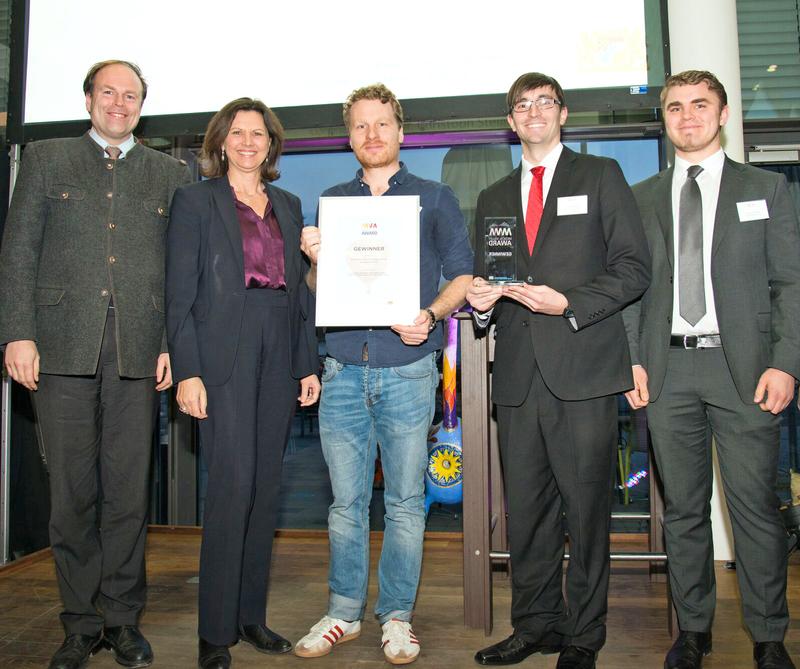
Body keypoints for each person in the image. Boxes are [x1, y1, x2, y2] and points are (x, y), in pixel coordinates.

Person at [0, 60, 191, 669]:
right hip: (59, 348)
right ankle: (80, 624)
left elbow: (176, 271)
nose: (119, 103)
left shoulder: (169, 174)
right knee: (73, 495)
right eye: (108, 92)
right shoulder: (47, 159)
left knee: (129, 495)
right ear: (88, 99)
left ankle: (121, 619)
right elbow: (18, 251)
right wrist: (17, 335)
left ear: (142, 105)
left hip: (138, 350)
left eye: (130, 95)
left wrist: (169, 343)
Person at [467, 72, 650, 669]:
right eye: (523, 105)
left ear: (563, 114)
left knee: (587, 508)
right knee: (529, 510)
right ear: (512, 122)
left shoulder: (600, 178)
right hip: (518, 375)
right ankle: (535, 625)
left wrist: (568, 303)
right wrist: (481, 300)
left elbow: (632, 268)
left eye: (545, 102)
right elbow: (488, 273)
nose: (535, 112)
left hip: (583, 370)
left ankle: (583, 635)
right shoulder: (493, 197)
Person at [623, 70, 799, 669]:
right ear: (665, 119)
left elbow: (791, 284)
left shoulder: (767, 188)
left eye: (700, 105)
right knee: (685, 512)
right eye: (675, 107)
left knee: (754, 509)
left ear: (723, 114)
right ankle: (693, 630)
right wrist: (634, 360)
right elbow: (629, 290)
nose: (687, 116)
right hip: (668, 371)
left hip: (745, 372)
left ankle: (770, 635)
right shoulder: (642, 195)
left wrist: (786, 364)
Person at [294, 83, 473, 665]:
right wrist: (317, 262)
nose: (372, 135)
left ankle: (396, 616)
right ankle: (343, 612)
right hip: (342, 368)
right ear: (350, 137)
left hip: (407, 370)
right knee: (344, 505)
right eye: (360, 126)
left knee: (403, 502)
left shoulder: (435, 196)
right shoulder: (332, 202)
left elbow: (463, 277)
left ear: (402, 131)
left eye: (382, 124)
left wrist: (432, 313)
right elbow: (322, 294)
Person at [165, 98, 320, 669]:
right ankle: (214, 631)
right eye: (238, 133)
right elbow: (178, 294)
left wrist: (307, 362)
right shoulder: (195, 201)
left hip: (279, 347)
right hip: (220, 354)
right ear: (222, 141)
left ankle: (251, 617)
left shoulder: (289, 204)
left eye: (259, 133)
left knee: (266, 487)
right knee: (232, 486)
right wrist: (189, 371)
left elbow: (299, 295)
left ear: (271, 144)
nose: (249, 142)